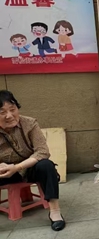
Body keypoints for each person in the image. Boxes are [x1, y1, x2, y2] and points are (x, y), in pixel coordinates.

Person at [0, 90, 65, 231]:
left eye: (12, 109)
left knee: (46, 165)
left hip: (29, 168)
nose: (9, 116)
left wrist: (17, 167)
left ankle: (55, 212)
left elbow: (43, 151)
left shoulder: (29, 123)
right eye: (2, 112)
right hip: (4, 172)